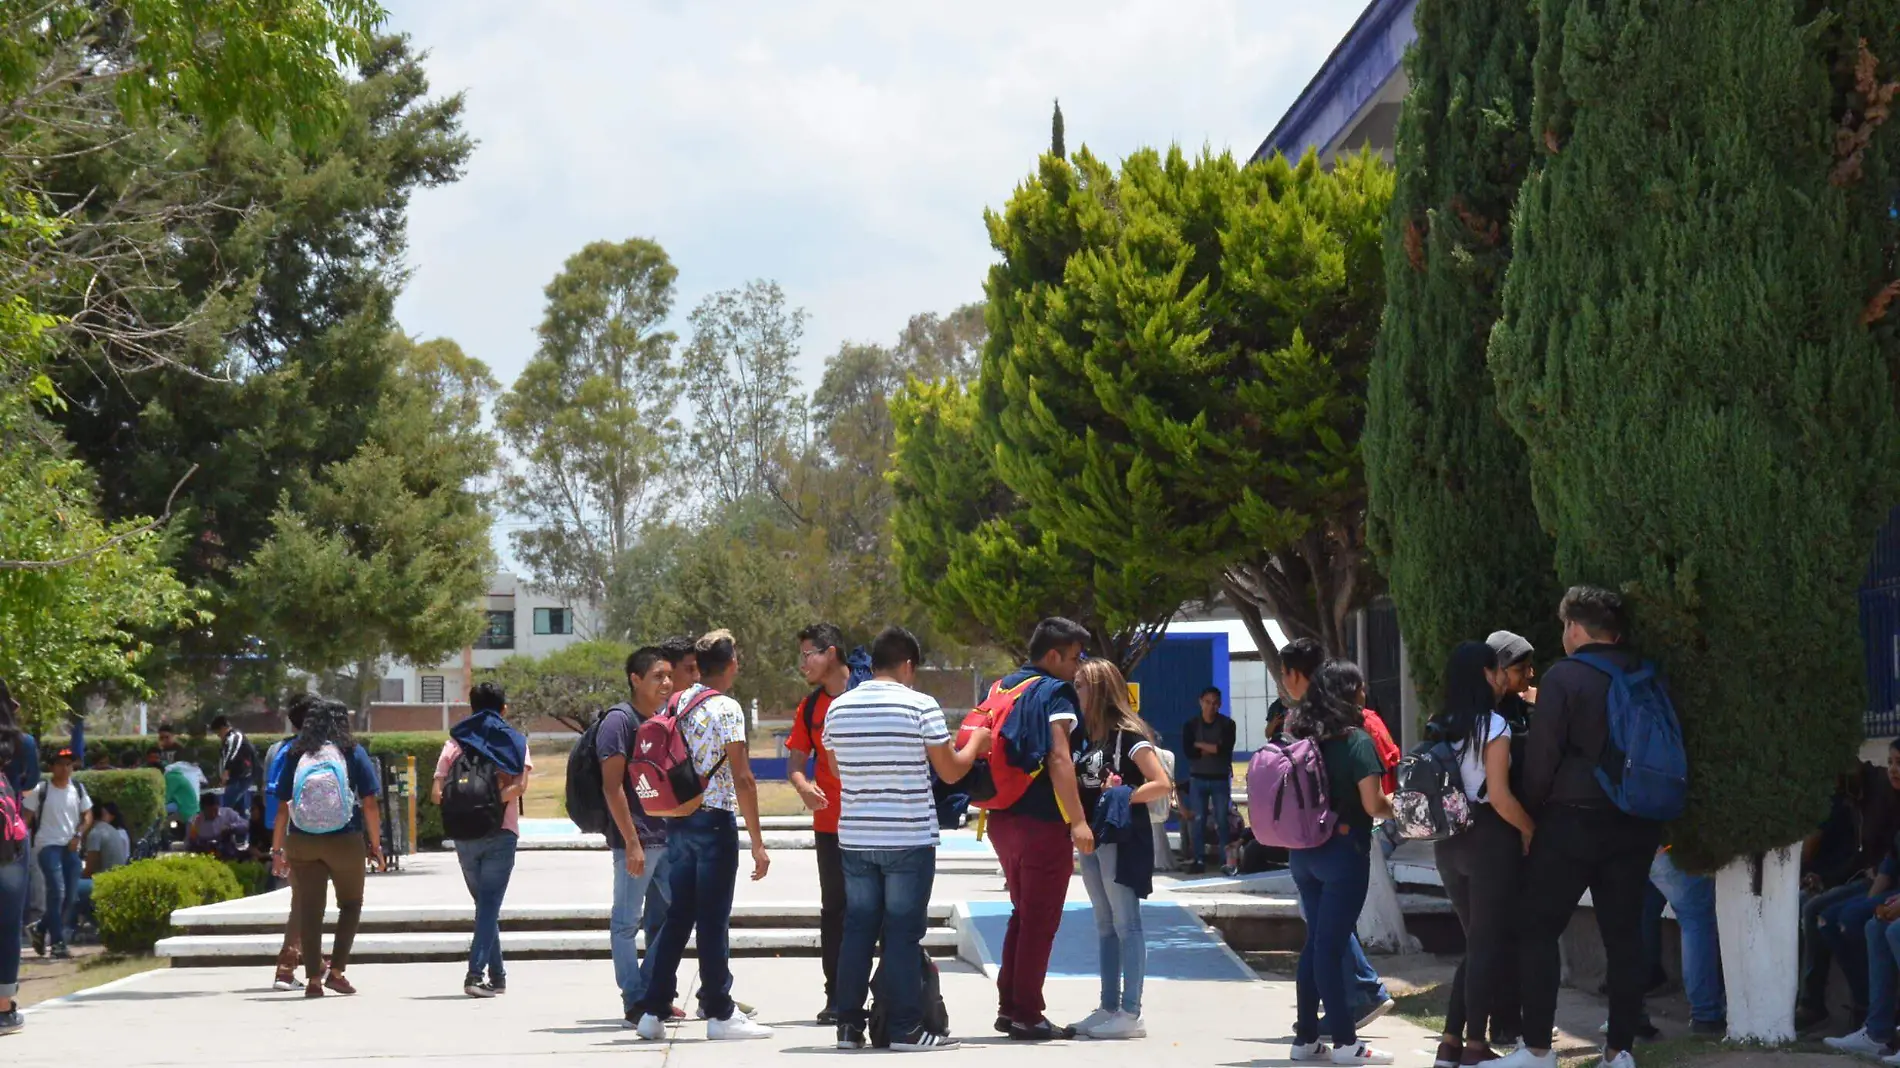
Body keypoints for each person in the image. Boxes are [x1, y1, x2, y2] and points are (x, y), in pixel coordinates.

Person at [1496, 587, 1666, 1068]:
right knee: (1625, 936)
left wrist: (1528, 816)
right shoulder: (1645, 671)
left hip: (1572, 820)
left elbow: (1544, 756)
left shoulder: (1566, 676)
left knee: (1538, 927)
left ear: (1574, 628)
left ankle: (1536, 1050)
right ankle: (1620, 1052)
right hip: (1635, 821)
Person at [824, 625, 989, 1051]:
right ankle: (904, 1029)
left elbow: (838, 770)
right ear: (908, 664)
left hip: (856, 836)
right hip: (907, 835)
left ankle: (847, 1027)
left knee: (857, 929)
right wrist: (975, 745)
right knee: (901, 933)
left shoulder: (838, 708)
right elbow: (951, 771)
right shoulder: (920, 706)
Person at [631, 630, 774, 1042]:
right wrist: (758, 842)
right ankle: (720, 1012)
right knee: (713, 920)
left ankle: (653, 1010)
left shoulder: (680, 700)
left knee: (679, 917)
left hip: (678, 818)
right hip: (714, 820)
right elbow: (743, 778)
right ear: (731, 666)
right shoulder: (727, 708)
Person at [987, 616, 1095, 1042]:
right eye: (1074, 657)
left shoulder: (1003, 687)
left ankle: (1011, 1006)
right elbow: (1059, 757)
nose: (1078, 666)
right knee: (1041, 920)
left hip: (1001, 819)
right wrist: (1079, 820)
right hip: (1042, 823)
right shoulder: (1056, 691)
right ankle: (1028, 1014)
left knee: (1023, 914)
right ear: (1052, 656)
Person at [1429, 642, 1536, 1068]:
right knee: (1486, 945)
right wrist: (1530, 830)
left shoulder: (1439, 722)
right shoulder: (1493, 725)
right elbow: (1500, 795)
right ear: (1487, 674)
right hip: (1489, 838)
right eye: (1497, 672)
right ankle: (1475, 1046)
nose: (1501, 680)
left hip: (1448, 842)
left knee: (1476, 943)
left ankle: (1449, 1044)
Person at [1283, 660, 1396, 1065]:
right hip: (1343, 855)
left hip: (1303, 853)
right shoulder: (1356, 742)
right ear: (1351, 693)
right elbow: (1374, 804)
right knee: (1329, 948)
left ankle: (1306, 1039)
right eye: (1360, 688)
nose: (1365, 693)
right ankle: (1348, 1044)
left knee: (1315, 945)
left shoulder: (1301, 738)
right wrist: (1400, 808)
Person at [1069, 657, 1172, 1040]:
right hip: (1093, 839)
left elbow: (1161, 783)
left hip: (1121, 837)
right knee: (1104, 923)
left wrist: (1125, 795)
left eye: (1080, 685)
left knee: (1126, 922)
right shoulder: (1088, 737)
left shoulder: (1127, 735)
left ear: (1098, 689)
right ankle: (1108, 1005)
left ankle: (1131, 1011)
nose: (1075, 691)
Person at [268, 698, 384, 998]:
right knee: (350, 904)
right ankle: (336, 971)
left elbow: (282, 807)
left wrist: (277, 850)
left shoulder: (295, 754)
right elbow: (369, 804)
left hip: (302, 840)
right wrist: (375, 844)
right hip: (345, 840)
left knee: (310, 911)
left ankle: (313, 981)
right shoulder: (353, 752)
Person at [433, 682, 531, 998]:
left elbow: (436, 795)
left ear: (472, 709)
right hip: (501, 832)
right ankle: (475, 976)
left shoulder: (454, 744)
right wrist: (492, 800)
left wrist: (466, 802)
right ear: (503, 709)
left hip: (464, 835)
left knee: (485, 905)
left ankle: (498, 975)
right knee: (488, 906)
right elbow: (520, 787)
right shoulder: (514, 741)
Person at [598, 646, 677, 1026]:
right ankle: (634, 999)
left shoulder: (664, 718)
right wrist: (630, 841)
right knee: (626, 922)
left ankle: (650, 990)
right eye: (657, 676)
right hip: (638, 839)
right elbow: (612, 788)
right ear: (635, 679)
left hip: (670, 836)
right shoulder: (619, 721)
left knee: (682, 913)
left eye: (668, 676)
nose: (666, 683)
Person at [787, 622, 858, 1024]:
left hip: (872, 824)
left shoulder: (866, 696)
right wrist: (803, 786)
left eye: (807, 654)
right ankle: (836, 997)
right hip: (829, 825)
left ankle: (879, 994)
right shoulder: (810, 707)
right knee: (835, 910)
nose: (803, 664)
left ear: (831, 653)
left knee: (874, 911)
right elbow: (796, 763)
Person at [1800, 749, 1900, 1030]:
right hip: (1876, 879)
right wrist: (1827, 879)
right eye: (1891, 762)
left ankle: (1873, 1014)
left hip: (1882, 882)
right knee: (1820, 913)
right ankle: (1859, 1012)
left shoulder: (1880, 791)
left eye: (1899, 763)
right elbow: (1881, 858)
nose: (1893, 769)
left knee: (1860, 921)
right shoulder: (1854, 795)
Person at [268, 695, 318, 991]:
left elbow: (278, 804)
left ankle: (312, 962)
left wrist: (277, 847)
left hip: (293, 834)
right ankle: (287, 967)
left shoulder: (283, 750)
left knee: (306, 900)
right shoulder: (318, 751)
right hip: (321, 835)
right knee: (303, 901)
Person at [24, 748, 92, 960]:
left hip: (71, 847)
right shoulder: (41, 790)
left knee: (70, 896)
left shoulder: (78, 789)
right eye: (61, 764)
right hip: (47, 846)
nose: (65, 768)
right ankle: (58, 943)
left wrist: (78, 835)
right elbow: (25, 818)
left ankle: (40, 927)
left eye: (69, 764)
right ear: (52, 767)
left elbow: (87, 815)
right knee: (57, 892)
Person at [1646, 847, 1723, 1034]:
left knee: (1640, 920)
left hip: (1632, 844)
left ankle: (1629, 1012)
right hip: (1667, 845)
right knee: (1697, 921)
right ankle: (1706, 1014)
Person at [1181, 685, 1236, 875]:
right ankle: (1198, 859)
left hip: (1220, 779)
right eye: (1207, 702)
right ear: (1200, 702)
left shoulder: (1228, 725)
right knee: (1198, 820)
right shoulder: (1191, 725)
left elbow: (1224, 750)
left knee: (1222, 820)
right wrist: (1212, 748)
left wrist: (1201, 746)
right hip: (1198, 778)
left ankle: (1225, 860)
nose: (1210, 707)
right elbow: (1189, 752)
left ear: (1219, 704)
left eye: (1214, 703)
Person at [0, 680, 29, 1036]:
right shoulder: (21, 745)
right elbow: (28, 782)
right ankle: (4, 1009)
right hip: (9, 843)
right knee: (7, 925)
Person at [74, 802, 131, 933]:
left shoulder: (95, 833)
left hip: (104, 882)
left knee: (71, 889)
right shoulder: (110, 829)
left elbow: (90, 869)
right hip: (115, 878)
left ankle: (69, 928)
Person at [210, 714, 257, 814]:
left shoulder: (235, 736)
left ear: (223, 728)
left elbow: (233, 752)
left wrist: (226, 771)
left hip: (242, 776)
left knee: (227, 804)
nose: (218, 735)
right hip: (235, 777)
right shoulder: (227, 740)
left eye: (218, 732)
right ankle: (241, 826)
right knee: (238, 807)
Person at [186, 792, 250, 857]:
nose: (213, 814)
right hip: (205, 854)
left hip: (226, 851)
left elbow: (246, 825)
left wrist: (232, 827)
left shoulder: (228, 814)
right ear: (202, 809)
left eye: (215, 810)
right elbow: (189, 845)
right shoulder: (193, 822)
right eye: (209, 812)